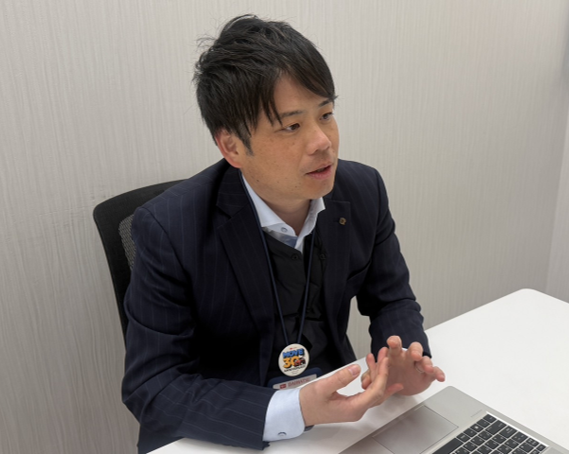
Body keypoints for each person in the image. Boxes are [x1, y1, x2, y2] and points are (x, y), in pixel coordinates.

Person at [122, 14, 445, 454]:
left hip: (337, 424)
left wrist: (403, 358)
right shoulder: (168, 228)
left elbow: (392, 300)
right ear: (232, 146)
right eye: (291, 126)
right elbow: (153, 387)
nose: (322, 142)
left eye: (326, 114)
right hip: (225, 434)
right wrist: (292, 409)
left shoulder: (363, 191)